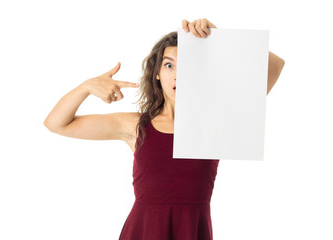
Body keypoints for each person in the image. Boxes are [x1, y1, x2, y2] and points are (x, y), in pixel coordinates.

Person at [43, 18, 285, 240]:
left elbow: (275, 65)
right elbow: (56, 123)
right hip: (143, 231)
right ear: (157, 73)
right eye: (169, 66)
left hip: (193, 231)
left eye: (188, 64)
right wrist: (86, 87)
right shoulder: (136, 126)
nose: (178, 75)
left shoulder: (215, 121)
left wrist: (217, 37)